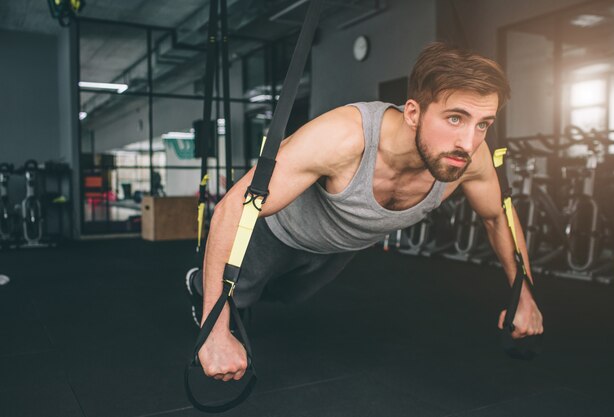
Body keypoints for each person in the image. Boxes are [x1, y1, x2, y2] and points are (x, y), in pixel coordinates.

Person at [185, 42, 544, 382]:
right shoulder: (344, 137)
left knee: (287, 297)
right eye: (455, 118)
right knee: (238, 298)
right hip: (279, 233)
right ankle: (200, 286)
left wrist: (523, 294)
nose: (468, 142)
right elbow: (234, 206)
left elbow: (497, 217)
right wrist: (214, 331)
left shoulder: (469, 159)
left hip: (341, 247)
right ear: (414, 113)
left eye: (483, 124)